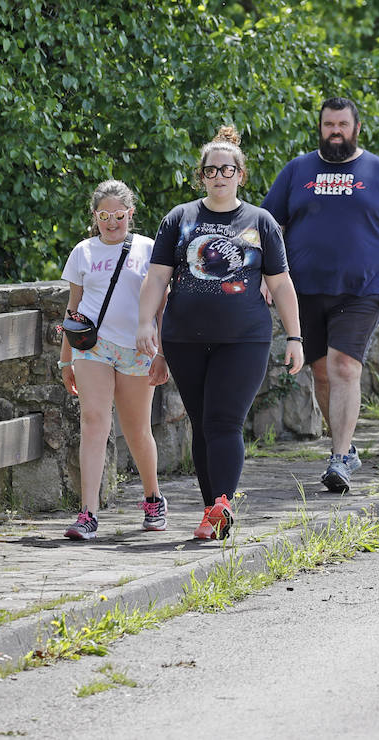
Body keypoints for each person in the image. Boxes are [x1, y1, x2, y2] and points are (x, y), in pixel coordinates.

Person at [136, 126, 305, 541]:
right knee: (201, 423)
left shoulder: (260, 222)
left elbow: (281, 284)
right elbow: (157, 277)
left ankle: (221, 505)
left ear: (240, 175)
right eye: (211, 170)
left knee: (224, 421)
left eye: (227, 169)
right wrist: (145, 324)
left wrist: (296, 337)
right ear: (202, 176)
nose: (219, 176)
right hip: (183, 338)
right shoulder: (179, 219)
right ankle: (214, 511)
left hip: (244, 338)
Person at [260, 96, 379, 493]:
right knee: (320, 372)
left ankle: (338, 458)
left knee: (344, 366)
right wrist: (265, 275)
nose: (335, 132)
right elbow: (267, 226)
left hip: (362, 290)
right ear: (320, 127)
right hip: (303, 291)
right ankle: (344, 449)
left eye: (342, 125)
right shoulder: (297, 171)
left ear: (356, 128)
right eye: (328, 125)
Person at [59, 180, 170, 541]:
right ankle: (88, 512)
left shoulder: (149, 249)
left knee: (137, 430)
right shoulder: (82, 252)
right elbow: (72, 310)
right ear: (94, 216)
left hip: (137, 348)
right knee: (94, 422)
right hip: (93, 347)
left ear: (130, 214)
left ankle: (153, 498)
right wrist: (66, 360)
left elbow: (164, 306)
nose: (111, 222)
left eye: (118, 215)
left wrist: (163, 353)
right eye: (104, 216)